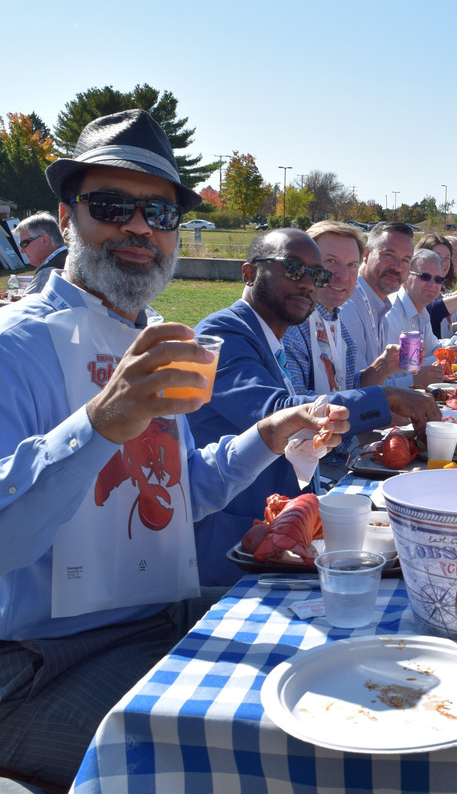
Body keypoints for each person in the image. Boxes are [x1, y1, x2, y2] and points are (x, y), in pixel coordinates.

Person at [0, 109, 351, 789]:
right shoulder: (13, 348)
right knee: (268, 762)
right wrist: (102, 420)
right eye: (112, 206)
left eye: (160, 214)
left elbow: (181, 492)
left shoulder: (153, 335)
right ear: (66, 217)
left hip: (157, 613)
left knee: (339, 649)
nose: (139, 227)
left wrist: (268, 436)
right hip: (38, 664)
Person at [188, 229, 440, 585]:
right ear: (249, 273)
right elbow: (276, 412)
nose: (309, 283)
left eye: (316, 274)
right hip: (233, 553)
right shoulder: (226, 334)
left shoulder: (269, 337)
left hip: (286, 530)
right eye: (294, 269)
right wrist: (384, 398)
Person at [282, 221, 398, 393]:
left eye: (351, 265)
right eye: (330, 261)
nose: (343, 276)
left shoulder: (338, 325)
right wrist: (383, 402)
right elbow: (297, 405)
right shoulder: (290, 328)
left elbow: (344, 388)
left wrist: (385, 365)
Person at [335, 220, 415, 372]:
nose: (397, 267)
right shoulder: (347, 307)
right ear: (366, 255)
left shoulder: (380, 306)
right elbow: (354, 387)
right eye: (388, 255)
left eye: (405, 260)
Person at [384, 249, 453, 387]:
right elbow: (385, 380)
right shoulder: (391, 315)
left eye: (438, 279)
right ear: (405, 277)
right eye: (425, 276)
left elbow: (433, 348)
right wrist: (414, 381)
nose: (433, 284)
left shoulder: (421, 310)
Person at [14, 210, 68, 294]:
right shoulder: (71, 259)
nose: (21, 251)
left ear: (44, 240)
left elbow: (29, 306)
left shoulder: (48, 272)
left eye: (24, 243)